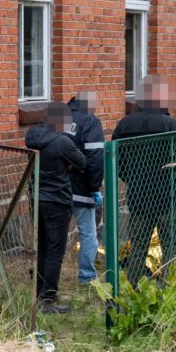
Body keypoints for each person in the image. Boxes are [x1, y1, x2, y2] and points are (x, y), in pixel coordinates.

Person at [112, 75, 176, 286]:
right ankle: (169, 290)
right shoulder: (171, 125)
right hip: (167, 198)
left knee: (137, 248)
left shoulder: (124, 125)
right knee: (172, 249)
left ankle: (133, 289)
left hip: (139, 198)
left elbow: (118, 162)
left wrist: (133, 178)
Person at [25, 103, 86, 314]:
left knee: (41, 248)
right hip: (57, 202)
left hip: (36, 199)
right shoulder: (62, 142)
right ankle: (49, 300)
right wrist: (66, 165)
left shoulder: (32, 136)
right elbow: (82, 162)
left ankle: (39, 294)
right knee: (55, 252)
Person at [65, 91, 104, 285]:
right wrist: (94, 187)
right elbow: (95, 158)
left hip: (56, 189)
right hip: (81, 188)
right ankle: (87, 277)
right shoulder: (90, 122)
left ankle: (46, 276)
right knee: (88, 234)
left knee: (53, 235)